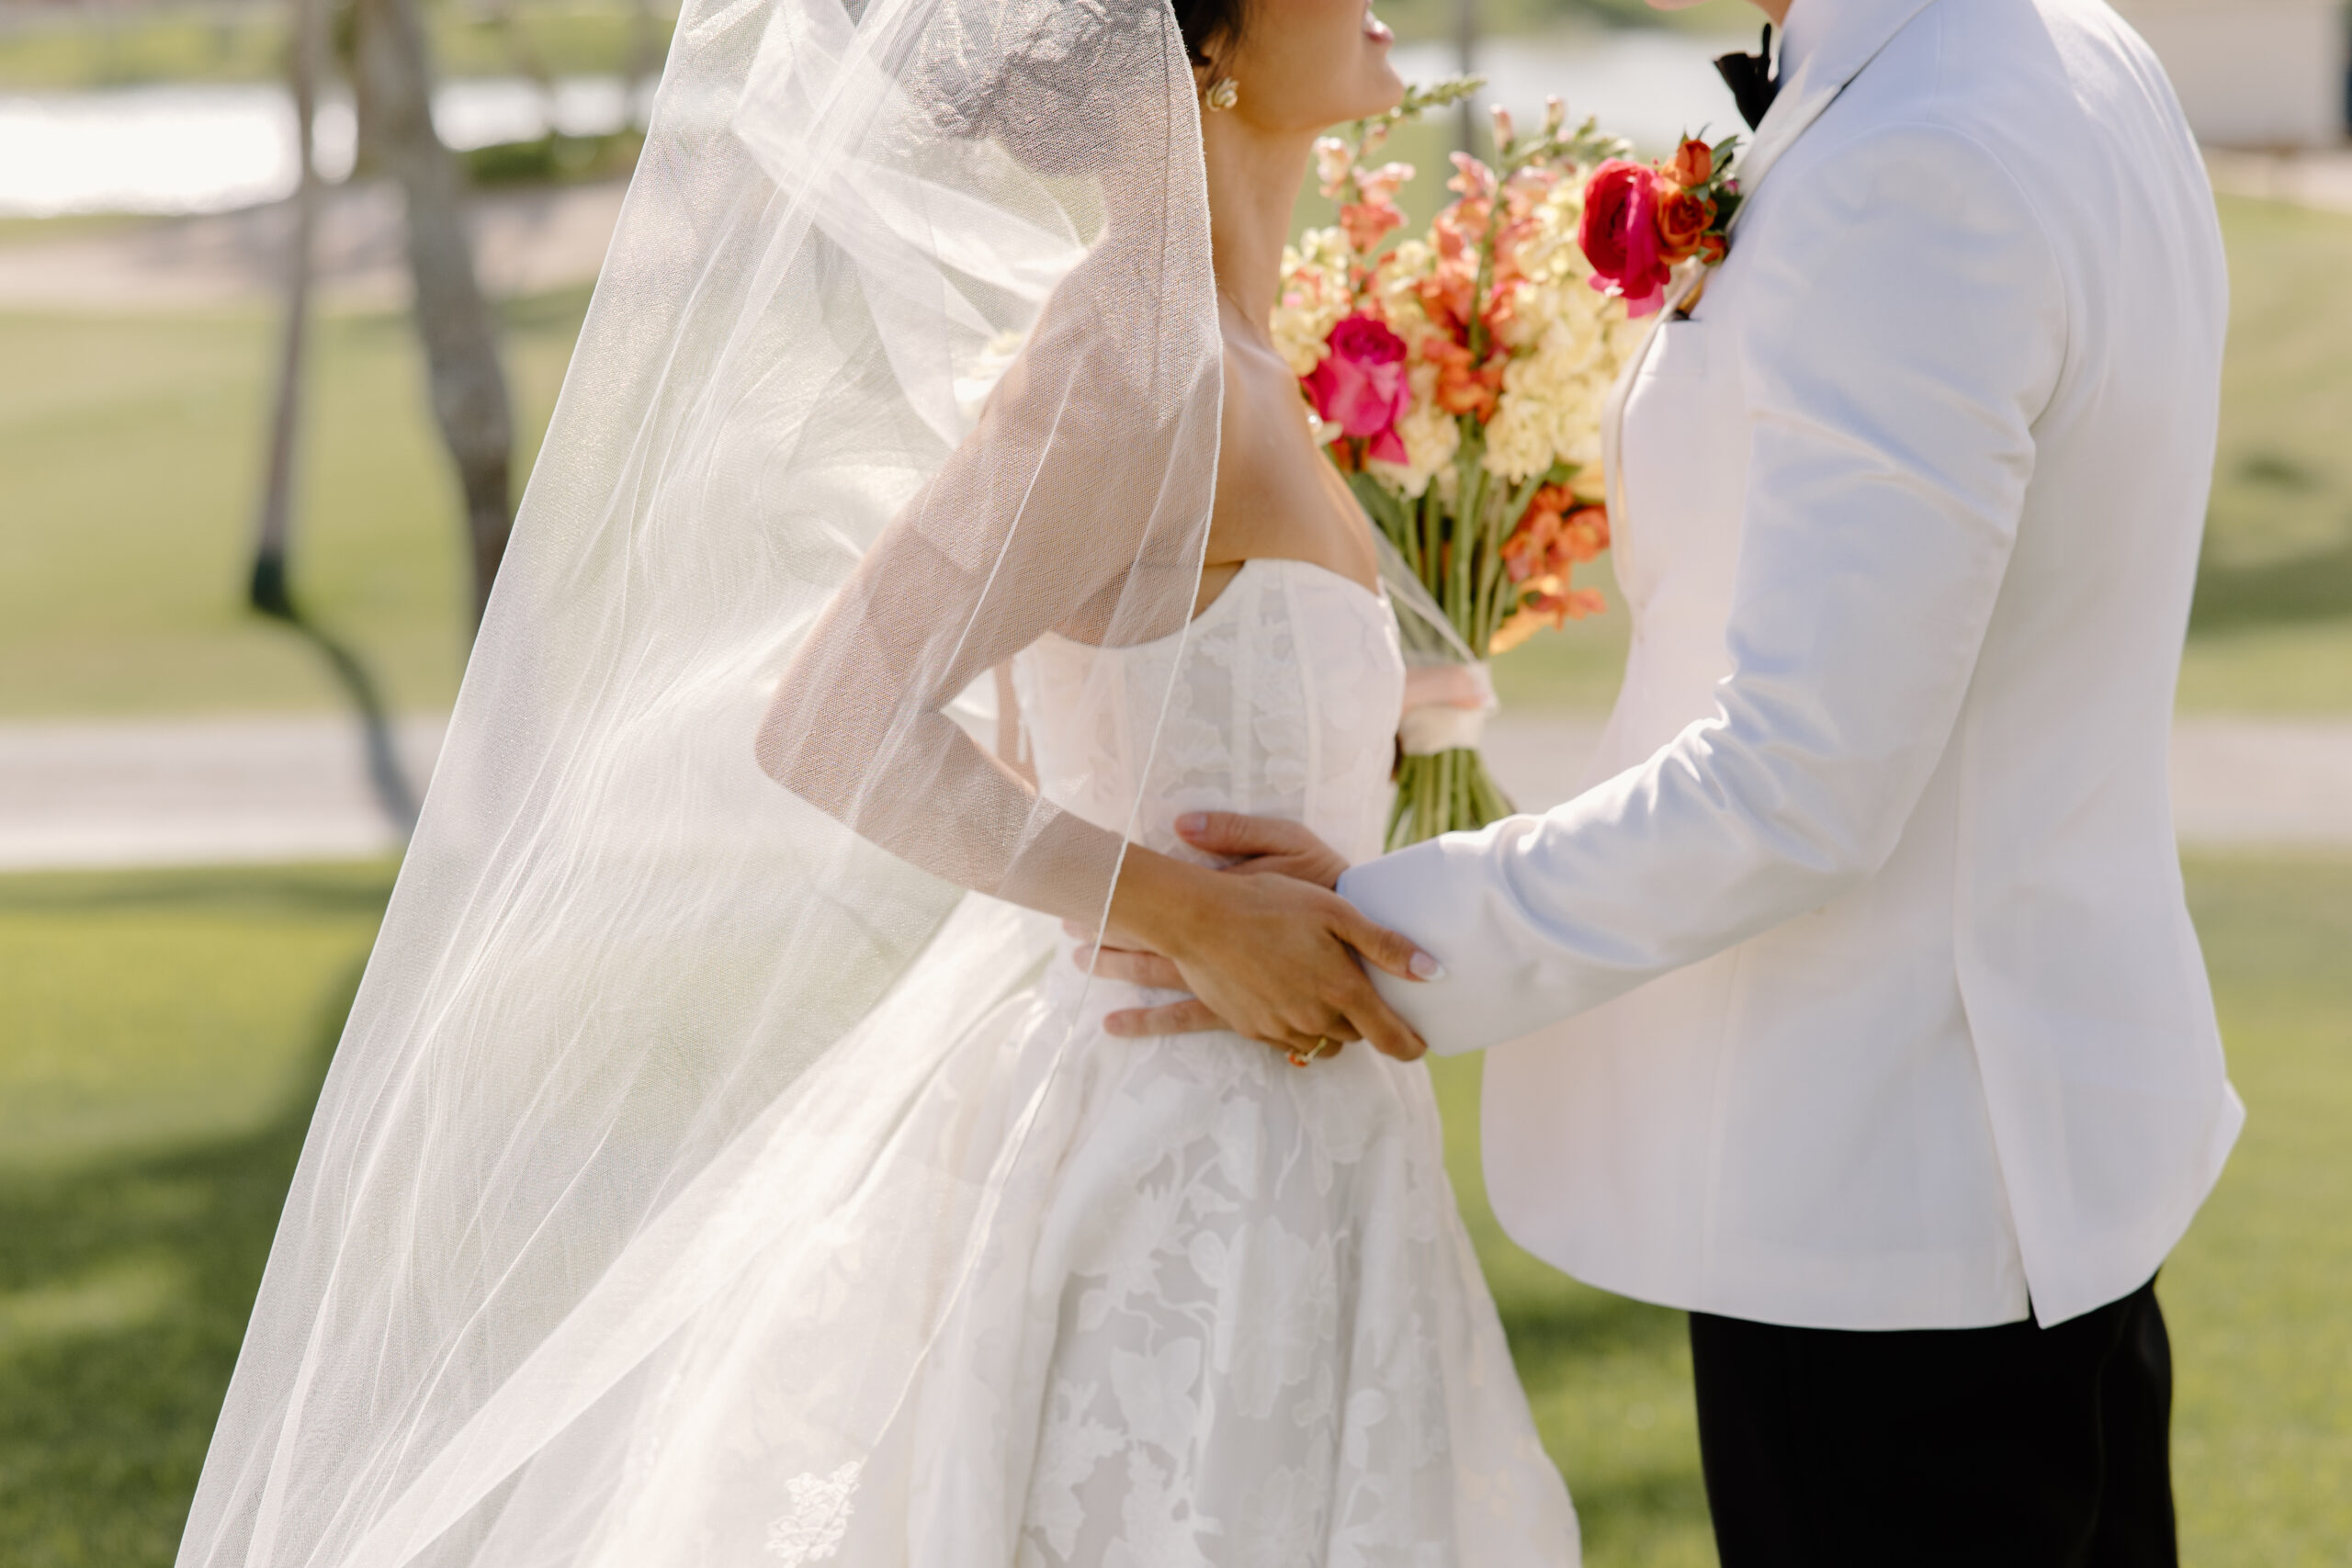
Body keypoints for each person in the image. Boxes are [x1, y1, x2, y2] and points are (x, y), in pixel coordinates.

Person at [176, 1, 1576, 1563]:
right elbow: (835, 717)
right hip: (1169, 1141)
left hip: (1299, 1128)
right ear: (1206, 47)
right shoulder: (1137, 356)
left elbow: (1136, 699)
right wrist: (1183, 907)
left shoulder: (1237, 350)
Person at [1112, 0, 2245, 1562]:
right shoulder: (2068, 57)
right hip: (2044, 1176)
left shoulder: (1914, 163)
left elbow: (1800, 783)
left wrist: (1371, 930)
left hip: (1886, 1214)